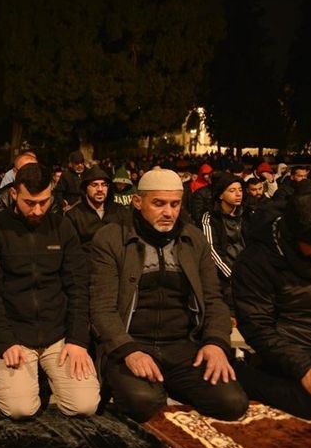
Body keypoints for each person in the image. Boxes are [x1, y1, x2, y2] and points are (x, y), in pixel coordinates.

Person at [90, 168, 248, 423]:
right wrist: (128, 350)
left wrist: (215, 343)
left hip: (183, 346)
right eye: (159, 203)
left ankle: (171, 386)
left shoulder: (193, 239)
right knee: (143, 403)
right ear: (137, 201)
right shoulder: (111, 238)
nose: (169, 212)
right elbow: (102, 307)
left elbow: (213, 300)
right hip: (132, 343)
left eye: (175, 204)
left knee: (232, 403)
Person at [0, 164, 99, 419]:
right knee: (20, 410)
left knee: (85, 405)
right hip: (15, 334)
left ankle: (45, 375)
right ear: (14, 195)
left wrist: (77, 340)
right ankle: (28, 380)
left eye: (44, 202)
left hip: (58, 334)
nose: (38, 210)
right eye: (29, 203)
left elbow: (78, 286)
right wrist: (5, 342)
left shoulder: (62, 227)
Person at [233, 192, 311, 420]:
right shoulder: (256, 260)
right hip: (296, 348)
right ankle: (243, 372)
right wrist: (304, 370)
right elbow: (257, 327)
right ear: (292, 236)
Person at [200, 174, 249, 313]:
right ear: (221, 195)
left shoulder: (247, 213)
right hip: (225, 274)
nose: (238, 194)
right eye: (232, 190)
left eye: (240, 190)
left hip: (247, 270)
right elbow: (212, 251)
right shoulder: (210, 218)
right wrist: (232, 275)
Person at [64, 166, 129, 247]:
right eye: (94, 185)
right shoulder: (74, 216)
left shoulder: (120, 210)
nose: (100, 189)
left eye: (104, 185)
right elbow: (72, 249)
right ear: (85, 188)